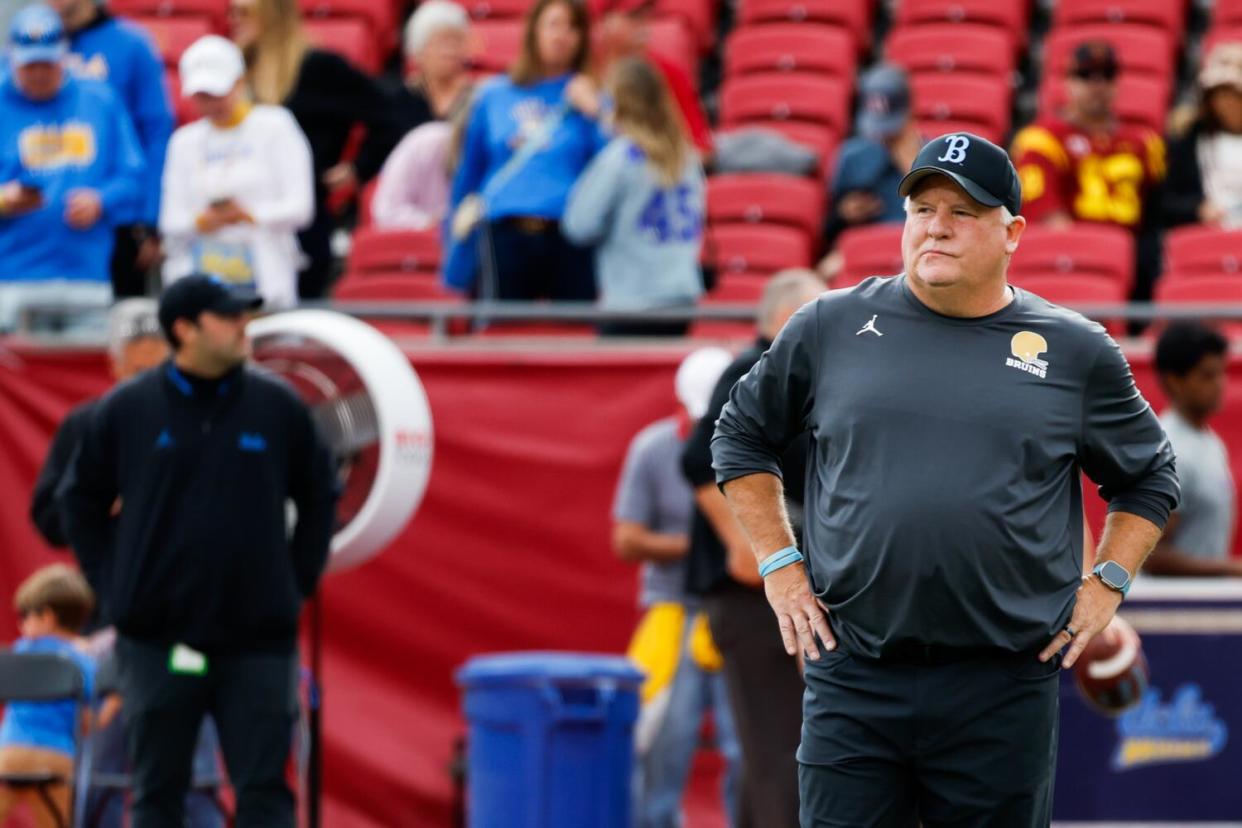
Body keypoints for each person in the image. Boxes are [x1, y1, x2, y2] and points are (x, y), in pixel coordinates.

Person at [710, 132, 1179, 826]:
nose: (937, 226)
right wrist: (780, 564)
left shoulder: (1074, 350)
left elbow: (1150, 476)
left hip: (1002, 681)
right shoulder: (830, 325)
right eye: (923, 207)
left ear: (1012, 231)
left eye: (963, 211)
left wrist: (1106, 583)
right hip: (856, 672)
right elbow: (738, 436)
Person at [58, 274, 339, 828]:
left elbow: (322, 493)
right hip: (157, 639)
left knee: (263, 795)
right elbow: (76, 499)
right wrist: (115, 588)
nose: (245, 327)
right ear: (184, 329)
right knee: (157, 793)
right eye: (230, 316)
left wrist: (294, 584)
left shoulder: (278, 407)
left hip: (258, 640)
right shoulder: (126, 410)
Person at [681, 269, 823, 828]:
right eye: (817, 315)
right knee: (784, 749)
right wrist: (748, 548)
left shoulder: (806, 382)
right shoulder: (754, 369)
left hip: (789, 591)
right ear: (783, 320)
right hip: (755, 597)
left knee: (776, 753)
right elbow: (698, 460)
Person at [614, 346, 741, 828]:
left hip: (736, 610)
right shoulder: (652, 448)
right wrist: (711, 545)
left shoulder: (756, 445)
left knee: (748, 744)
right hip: (676, 612)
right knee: (660, 741)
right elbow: (626, 539)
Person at [229, 0, 401, 299]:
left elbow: (389, 116)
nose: (234, 20)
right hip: (239, 224)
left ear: (271, 17)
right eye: (232, 12)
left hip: (301, 221)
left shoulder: (319, 68)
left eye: (244, 13)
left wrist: (358, 168)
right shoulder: (235, 71)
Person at [447, 0, 607, 300]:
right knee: (501, 333)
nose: (562, 35)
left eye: (573, 27)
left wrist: (597, 110)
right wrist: (455, 255)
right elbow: (469, 174)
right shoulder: (494, 94)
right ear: (534, 31)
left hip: (570, 233)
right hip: (503, 232)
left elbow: (617, 162)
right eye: (553, 24)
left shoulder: (593, 97)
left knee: (574, 336)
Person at [0, 4, 145, 332]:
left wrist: (101, 200)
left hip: (85, 275)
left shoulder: (100, 100)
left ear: (64, 55)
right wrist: (5, 200)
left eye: (47, 63)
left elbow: (133, 177)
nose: (39, 73)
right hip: (12, 280)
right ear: (11, 58)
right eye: (30, 65)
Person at [160, 35, 314, 310]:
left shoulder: (276, 126)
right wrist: (203, 220)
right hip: (201, 287)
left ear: (240, 82)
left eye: (218, 93)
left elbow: (300, 207)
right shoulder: (183, 142)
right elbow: (171, 220)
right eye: (202, 96)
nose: (212, 103)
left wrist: (248, 214)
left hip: (267, 282)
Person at [1011, 41, 1165, 298]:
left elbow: (1159, 210)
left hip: (1137, 260)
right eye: (1086, 76)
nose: (1098, 86)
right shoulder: (1041, 139)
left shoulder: (1145, 141)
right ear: (1067, 82)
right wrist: (1096, 253)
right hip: (1072, 258)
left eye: (1107, 76)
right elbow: (1048, 218)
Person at [563, 57, 705, 335]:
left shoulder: (619, 158)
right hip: (680, 299)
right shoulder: (687, 156)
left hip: (631, 301)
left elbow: (578, 225)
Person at [52, 0, 175, 298]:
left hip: (118, 214)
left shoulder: (131, 44)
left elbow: (156, 130)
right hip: (48, 219)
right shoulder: (34, 44)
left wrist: (150, 217)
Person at [30, 298, 168, 552]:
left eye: (158, 372)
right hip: (112, 578)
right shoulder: (87, 424)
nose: (149, 384)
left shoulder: (196, 420)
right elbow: (48, 517)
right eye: (139, 372)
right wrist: (101, 503)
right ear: (114, 365)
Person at [0, 563, 96, 828]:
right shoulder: (83, 662)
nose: (21, 624)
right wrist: (114, 704)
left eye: (26, 616)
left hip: (9, 753)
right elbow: (88, 723)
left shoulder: (19, 652)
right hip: (57, 757)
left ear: (47, 617)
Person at [1146, 322, 1239, 575]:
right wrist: (1231, 569)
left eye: (1221, 373)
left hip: (1203, 603)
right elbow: (1151, 555)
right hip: (1170, 608)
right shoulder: (1169, 450)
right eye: (1207, 375)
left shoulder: (1209, 441)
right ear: (1175, 381)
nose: (1220, 383)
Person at [819, 65, 923, 265]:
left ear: (910, 112)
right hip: (864, 257)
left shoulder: (930, 156)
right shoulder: (852, 155)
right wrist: (845, 214)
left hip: (912, 257)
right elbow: (826, 232)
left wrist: (912, 170)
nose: (884, 134)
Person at [593, 0, 712, 156]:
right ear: (605, 22)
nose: (643, 26)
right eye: (633, 17)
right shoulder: (584, 73)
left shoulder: (666, 72)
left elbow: (702, 148)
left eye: (646, 16)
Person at [1164, 42, 1242, 229]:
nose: (1226, 103)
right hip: (1208, 238)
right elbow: (1165, 203)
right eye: (1219, 94)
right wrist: (1197, 209)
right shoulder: (1189, 141)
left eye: (1233, 94)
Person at [371, 96, 471, 231]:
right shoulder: (425, 143)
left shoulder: (497, 152)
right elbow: (386, 211)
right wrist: (431, 223)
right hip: (414, 241)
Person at [389, 0, 473, 135]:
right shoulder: (400, 100)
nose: (449, 51)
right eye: (440, 43)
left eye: (456, 41)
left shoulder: (479, 98)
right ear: (418, 50)